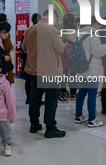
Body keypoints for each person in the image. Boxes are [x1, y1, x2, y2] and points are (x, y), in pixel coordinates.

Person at [21, 9, 66, 138]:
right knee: (51, 100)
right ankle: (50, 128)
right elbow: (60, 48)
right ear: (54, 18)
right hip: (49, 71)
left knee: (35, 98)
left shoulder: (30, 30)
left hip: (33, 70)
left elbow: (24, 48)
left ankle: (34, 124)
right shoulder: (52, 30)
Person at [74, 16, 106, 127]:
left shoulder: (78, 34)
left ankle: (78, 116)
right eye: (99, 25)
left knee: (81, 93)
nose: (100, 27)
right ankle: (92, 120)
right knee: (92, 94)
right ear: (94, 24)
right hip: (92, 69)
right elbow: (96, 52)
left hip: (81, 68)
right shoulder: (93, 34)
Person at [20, 13, 41, 104]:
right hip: (38, 61)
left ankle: (29, 98)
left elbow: (22, 47)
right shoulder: (42, 31)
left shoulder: (27, 31)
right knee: (36, 82)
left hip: (28, 59)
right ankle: (35, 99)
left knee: (28, 80)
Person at [59, 13, 78, 101]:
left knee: (64, 73)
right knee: (73, 74)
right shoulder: (75, 31)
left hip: (63, 53)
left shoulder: (60, 29)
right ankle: (73, 93)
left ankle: (63, 91)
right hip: (73, 54)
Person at [0, 13, 14, 84]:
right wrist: (12, 46)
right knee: (5, 81)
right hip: (5, 57)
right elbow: (8, 46)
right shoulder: (5, 33)